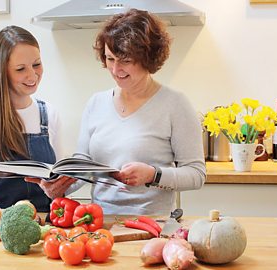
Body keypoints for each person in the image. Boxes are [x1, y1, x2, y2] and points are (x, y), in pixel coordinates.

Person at [71, 9, 206, 215]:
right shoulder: (96, 103)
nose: (116, 70)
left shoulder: (175, 104)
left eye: (125, 60)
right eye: (110, 59)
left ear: (148, 59)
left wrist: (153, 175)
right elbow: (83, 164)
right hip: (98, 225)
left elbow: (196, 175)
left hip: (152, 226)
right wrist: (59, 184)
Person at [0, 26, 75, 211]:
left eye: (36, 64)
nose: (32, 75)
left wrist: (66, 183)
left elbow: (57, 187)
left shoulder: (50, 115)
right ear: (2, 71)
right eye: (20, 69)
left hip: (46, 230)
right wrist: (13, 225)